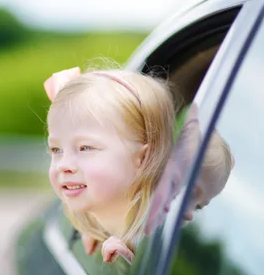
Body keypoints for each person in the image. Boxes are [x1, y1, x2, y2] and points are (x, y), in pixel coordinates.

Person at [44, 65, 175, 261]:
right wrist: (95, 230)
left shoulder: (165, 239)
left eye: (85, 148)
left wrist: (130, 263)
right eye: (56, 150)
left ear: (142, 158)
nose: (64, 164)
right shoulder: (97, 219)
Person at [82, 103, 234, 262]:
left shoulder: (159, 241)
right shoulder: (118, 202)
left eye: (198, 207)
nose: (190, 215)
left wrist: (127, 258)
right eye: (185, 192)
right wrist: (97, 228)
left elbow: (141, 266)